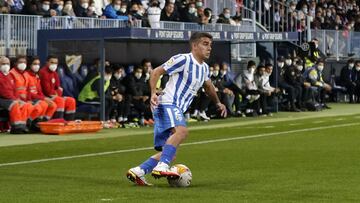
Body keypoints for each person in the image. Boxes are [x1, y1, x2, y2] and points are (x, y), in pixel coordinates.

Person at [126, 32, 227, 186]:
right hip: (168, 102)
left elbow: (209, 87)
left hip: (173, 107)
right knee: (182, 131)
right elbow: (156, 72)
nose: (209, 48)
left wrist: (218, 103)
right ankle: (162, 167)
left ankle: (139, 171)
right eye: (205, 44)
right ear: (194, 45)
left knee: (170, 152)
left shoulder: (204, 68)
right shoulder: (183, 59)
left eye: (210, 45)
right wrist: (153, 92)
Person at [10, 55, 47, 131]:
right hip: (16, 98)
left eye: (24, 62)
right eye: (20, 62)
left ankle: (32, 124)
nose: (23, 64)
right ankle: (21, 126)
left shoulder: (25, 74)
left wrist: (28, 99)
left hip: (25, 99)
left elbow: (27, 90)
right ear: (15, 63)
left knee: (40, 106)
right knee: (29, 106)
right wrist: (20, 99)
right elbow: (13, 90)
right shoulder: (12, 73)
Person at [0, 56, 32, 134]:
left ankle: (23, 126)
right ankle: (15, 127)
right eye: (3, 64)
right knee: (15, 104)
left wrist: (18, 98)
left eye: (7, 63)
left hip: (11, 98)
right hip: (2, 99)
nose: (6, 65)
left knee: (26, 105)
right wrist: (15, 99)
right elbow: (3, 92)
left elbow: (15, 89)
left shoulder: (9, 75)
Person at [39, 55, 76, 120]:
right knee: (59, 100)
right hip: (45, 97)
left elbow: (59, 89)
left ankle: (69, 123)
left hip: (55, 96)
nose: (54, 65)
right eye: (52, 62)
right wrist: (57, 92)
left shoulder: (55, 73)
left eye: (56, 63)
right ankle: (57, 122)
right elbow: (48, 92)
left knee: (71, 101)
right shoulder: (43, 72)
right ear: (47, 63)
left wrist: (56, 92)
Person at [26, 57, 57, 121]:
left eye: (38, 64)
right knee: (44, 104)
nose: (37, 66)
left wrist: (44, 98)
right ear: (30, 65)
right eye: (35, 64)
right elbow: (28, 92)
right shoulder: (26, 75)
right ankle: (33, 123)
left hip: (38, 98)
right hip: (30, 98)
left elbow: (39, 91)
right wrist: (43, 98)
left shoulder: (36, 76)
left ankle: (45, 121)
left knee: (53, 105)